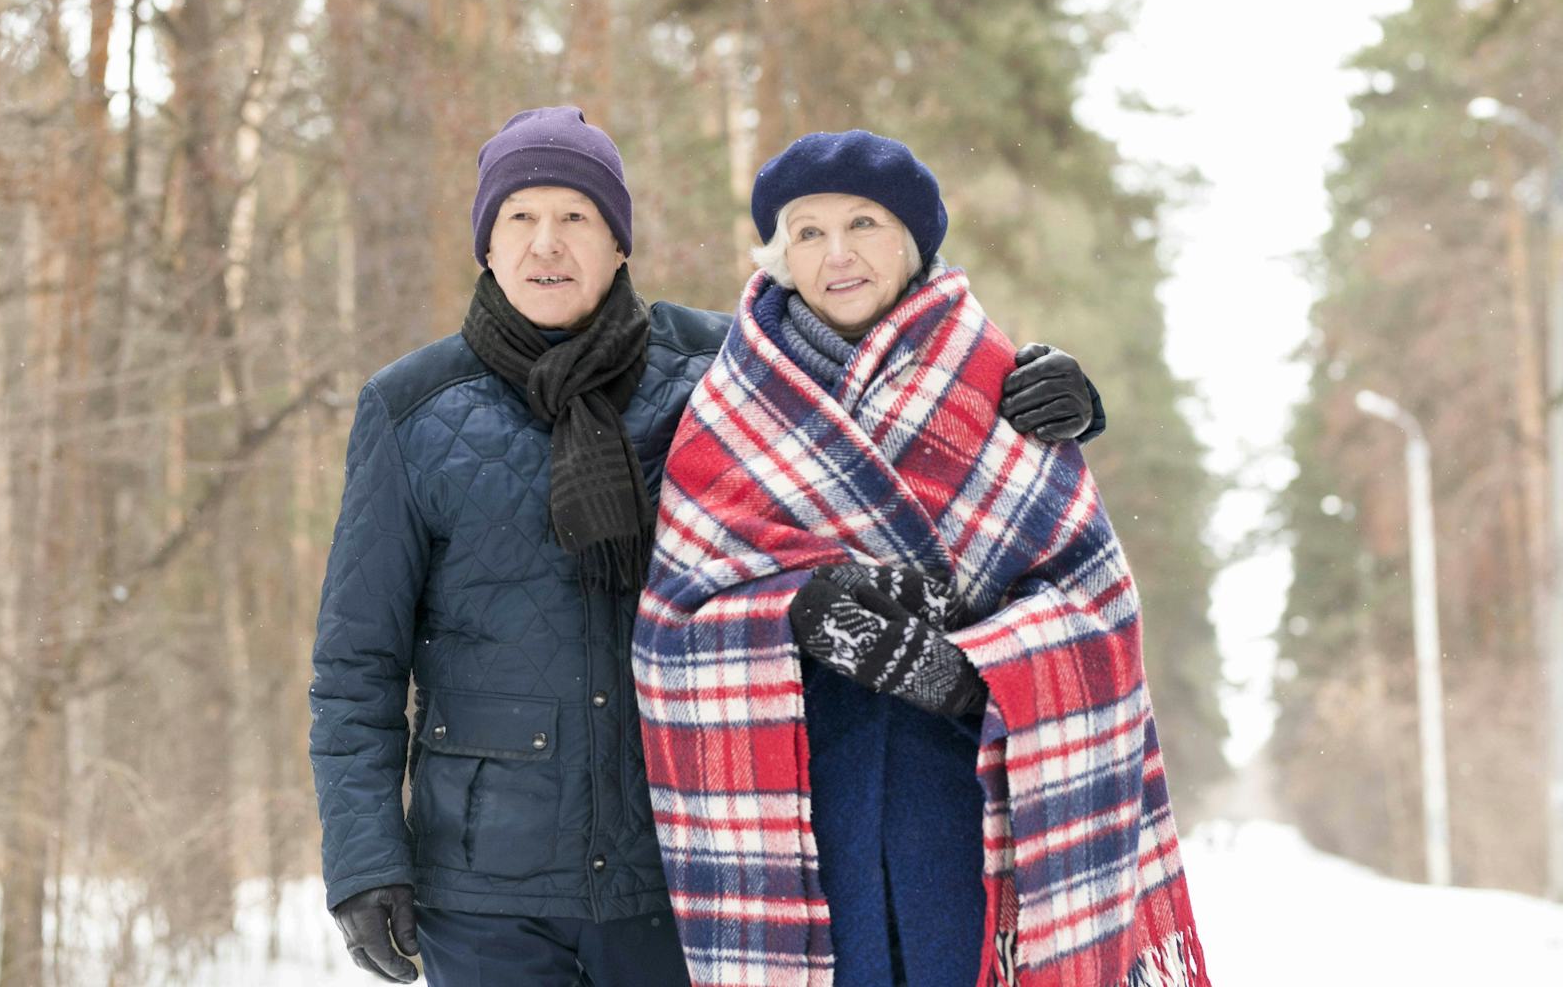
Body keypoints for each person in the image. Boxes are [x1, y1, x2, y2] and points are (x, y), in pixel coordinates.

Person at [307, 108, 1107, 986]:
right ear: (486, 246)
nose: (547, 244)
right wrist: (364, 859)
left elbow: (878, 354)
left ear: (620, 245)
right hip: (486, 887)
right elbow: (358, 664)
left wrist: (1027, 388)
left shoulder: (723, 371)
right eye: (519, 219)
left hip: (685, 868)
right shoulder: (411, 409)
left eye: (576, 218)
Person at [632, 130, 1209, 987]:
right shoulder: (725, 407)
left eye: (863, 224)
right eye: (809, 232)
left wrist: (972, 673)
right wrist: (795, 610)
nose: (838, 255)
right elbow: (672, 625)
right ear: (781, 256)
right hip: (802, 820)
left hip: (972, 813)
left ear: (911, 243)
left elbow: (1095, 608)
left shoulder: (998, 386)